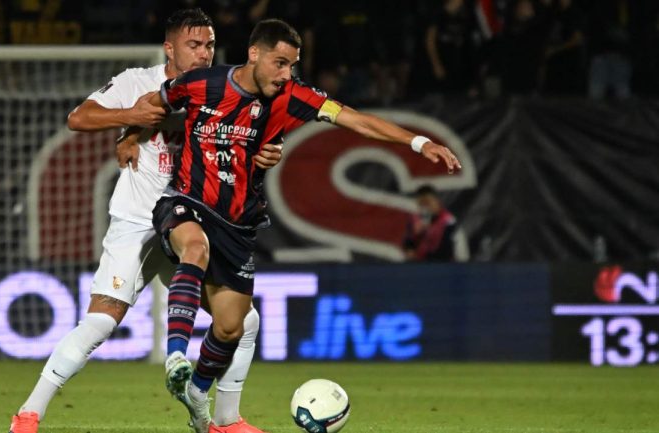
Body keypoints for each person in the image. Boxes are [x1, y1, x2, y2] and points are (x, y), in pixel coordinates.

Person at [119, 18, 461, 433]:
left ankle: (196, 394)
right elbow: (154, 104)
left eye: (292, 66)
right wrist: (129, 135)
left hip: (239, 223)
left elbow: (354, 119)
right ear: (254, 54)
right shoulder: (203, 83)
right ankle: (176, 357)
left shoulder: (293, 96)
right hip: (187, 201)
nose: (286, 74)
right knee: (194, 247)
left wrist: (418, 142)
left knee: (230, 327)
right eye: (280, 63)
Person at [8, 9, 282, 433]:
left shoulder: (221, 90)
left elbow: (243, 145)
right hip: (138, 220)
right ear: (169, 48)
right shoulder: (137, 81)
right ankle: (28, 414)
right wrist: (130, 121)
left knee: (244, 322)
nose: (204, 53)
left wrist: (265, 153)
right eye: (194, 45)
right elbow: (78, 118)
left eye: (209, 45)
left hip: (194, 222)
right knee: (100, 323)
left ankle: (226, 422)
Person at [403, 185, 469, 262]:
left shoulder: (449, 221)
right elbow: (408, 246)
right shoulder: (415, 220)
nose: (425, 206)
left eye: (427, 202)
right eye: (421, 203)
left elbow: (457, 253)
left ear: (437, 201)